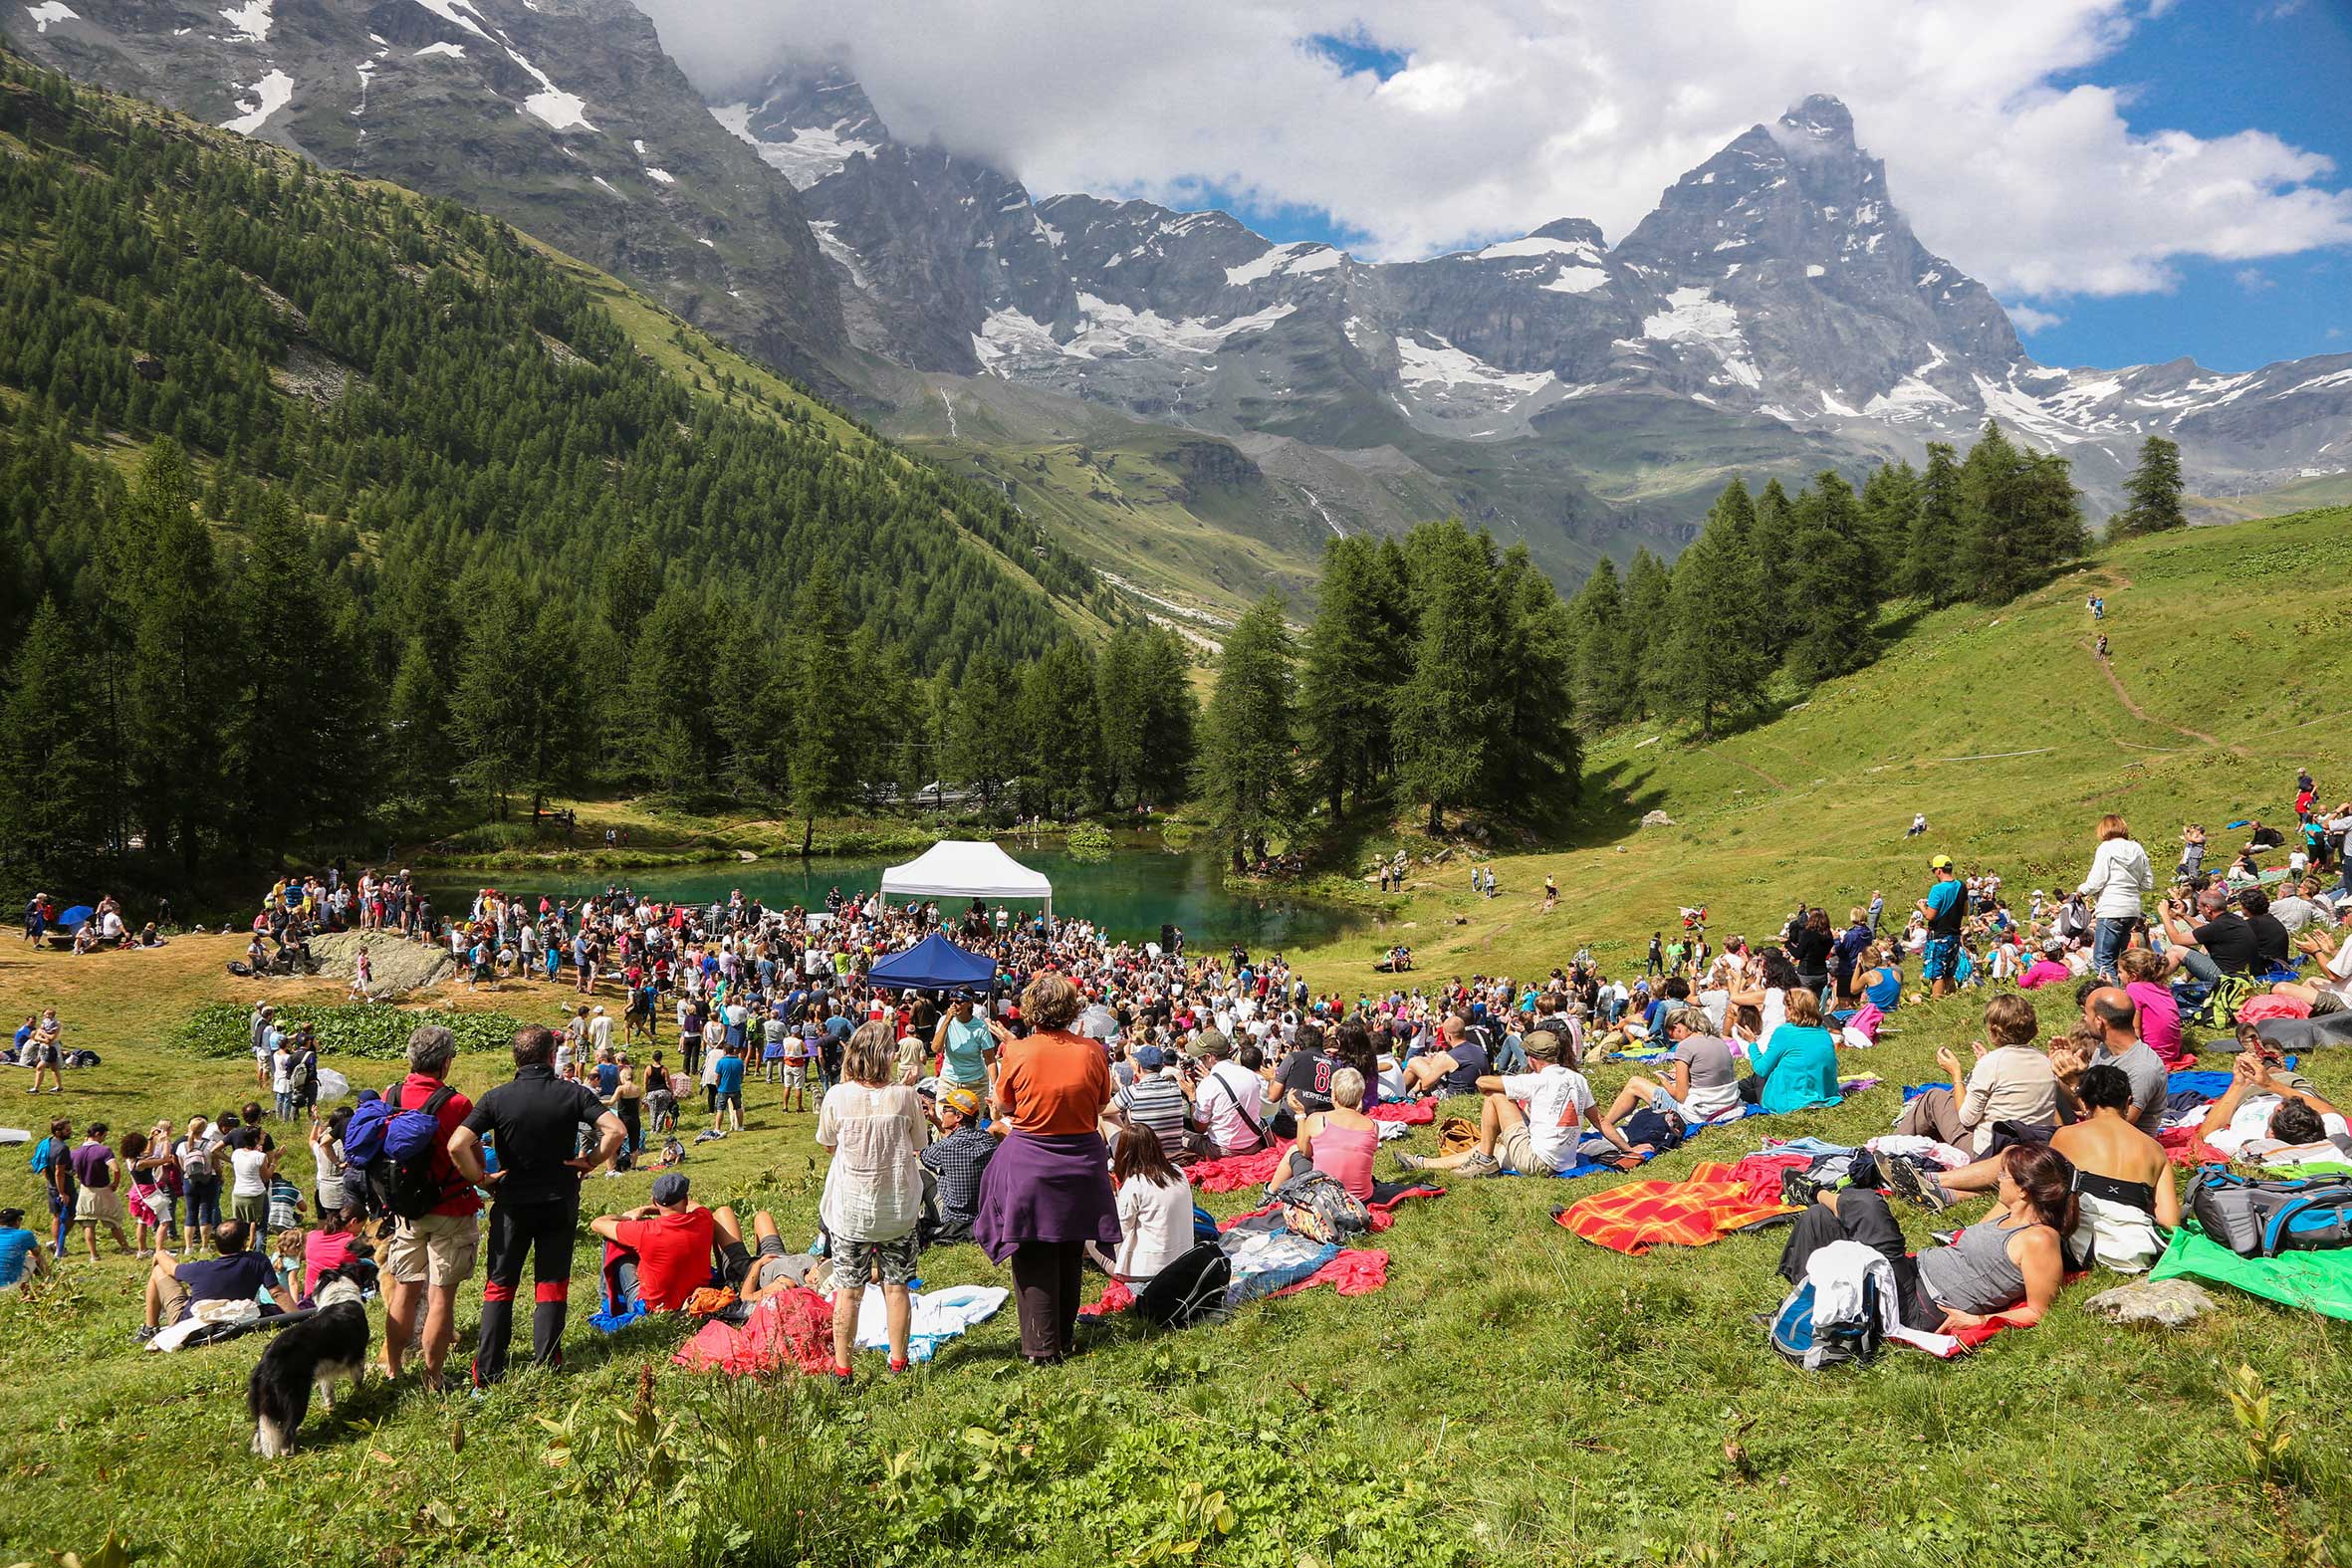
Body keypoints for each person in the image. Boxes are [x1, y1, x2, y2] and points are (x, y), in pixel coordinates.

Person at [447, 1025, 626, 1387]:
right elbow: (617, 1130)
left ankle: (489, 1370)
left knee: (499, 1285)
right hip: (559, 1200)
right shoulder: (572, 1093)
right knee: (551, 1283)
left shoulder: (496, 1097)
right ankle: (548, 1361)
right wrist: (591, 1159)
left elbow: (456, 1145)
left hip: (512, 1202)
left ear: (516, 1058)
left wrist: (480, 1177)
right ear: (550, 1057)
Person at [1892, 1065, 2177, 1272]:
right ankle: (1950, 1203)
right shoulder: (2155, 1150)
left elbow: (2039, 1184)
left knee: (2026, 1180)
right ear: (2127, 1102)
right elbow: (2170, 1221)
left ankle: (1968, 1233)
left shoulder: (2068, 1136)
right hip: (2138, 1252)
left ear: (2084, 1102)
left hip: (2083, 1248)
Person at [974, 972, 1119, 1367]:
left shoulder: (1018, 1051)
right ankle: (1065, 1337)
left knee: (1033, 1250)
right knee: (1071, 1248)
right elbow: (1103, 1100)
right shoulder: (1093, 1050)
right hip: (1082, 1161)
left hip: (1033, 1159)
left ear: (1032, 1009)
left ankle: (1042, 1347)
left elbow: (1005, 1107)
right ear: (1072, 1010)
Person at [1777, 1144, 2076, 1333]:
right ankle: (1799, 1309)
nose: (1997, 1179)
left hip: (1920, 1305)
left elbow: (2038, 1310)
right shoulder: (2009, 1214)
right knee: (1818, 1219)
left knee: (1869, 1206)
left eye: (2004, 1176)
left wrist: (1981, 1321)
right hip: (1911, 1274)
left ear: (2024, 1190)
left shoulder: (2039, 1239)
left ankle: (1816, 1192)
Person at [814, 1019, 926, 1380]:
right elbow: (919, 1145)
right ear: (886, 1056)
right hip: (896, 1207)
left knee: (848, 1291)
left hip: (851, 1210)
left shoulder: (837, 1096)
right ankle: (898, 1362)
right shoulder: (906, 1096)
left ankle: (843, 1368)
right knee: (897, 1287)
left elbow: (829, 1144)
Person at [379, 1025, 482, 1393]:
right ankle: (433, 1377)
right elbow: (469, 1155)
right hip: (450, 1208)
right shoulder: (456, 1104)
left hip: (407, 1211)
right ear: (446, 1062)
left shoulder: (389, 1095)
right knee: (441, 1295)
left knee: (404, 1291)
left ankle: (393, 1369)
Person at [1395, 1028, 1641, 1178]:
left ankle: (1483, 1161)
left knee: (1497, 1097)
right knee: (1495, 1149)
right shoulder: (1578, 1079)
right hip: (1565, 1160)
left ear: (1533, 1059)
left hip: (1537, 1161)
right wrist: (1628, 1149)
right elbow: (1600, 1122)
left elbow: (1482, 1084)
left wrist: (1511, 1089)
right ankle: (1423, 1162)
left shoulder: (1535, 1081)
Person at [1897, 995, 2060, 1153]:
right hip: (2035, 1149)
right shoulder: (2045, 1061)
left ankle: (1886, 1152)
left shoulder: (1991, 1063)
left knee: (1933, 1098)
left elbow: (1966, 1118)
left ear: (1993, 1029)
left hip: (1991, 1153)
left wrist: (1956, 1074)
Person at [588, 1173, 737, 1312]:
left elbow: (597, 1223)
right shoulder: (703, 1218)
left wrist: (631, 1217)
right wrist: (647, 1210)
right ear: (684, 1199)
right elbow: (693, 1205)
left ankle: (606, 1302)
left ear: (655, 1201)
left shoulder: (643, 1230)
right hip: (694, 1296)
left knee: (611, 1240)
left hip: (654, 1307)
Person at [138, 1221, 295, 1341]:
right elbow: (278, 1293)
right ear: (244, 1243)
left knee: (159, 1269)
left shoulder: (200, 1268)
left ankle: (150, 1328)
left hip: (189, 1322)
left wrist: (159, 1253)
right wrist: (300, 1319)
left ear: (217, 1245)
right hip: (234, 1316)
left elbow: (171, 1269)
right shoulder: (257, 1261)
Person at [1086, 1124, 1194, 1287]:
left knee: (1087, 1230)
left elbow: (1119, 1231)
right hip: (1183, 1259)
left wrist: (1112, 1196)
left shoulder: (1135, 1184)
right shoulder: (1178, 1171)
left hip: (1144, 1270)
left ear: (1124, 1153)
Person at [1599, 1005, 1742, 1127]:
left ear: (1677, 1028)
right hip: (1728, 1104)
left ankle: (1605, 1125)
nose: (1673, 1040)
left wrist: (1664, 1081)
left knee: (1634, 1083)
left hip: (1702, 1113)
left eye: (1672, 1035)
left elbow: (1680, 1097)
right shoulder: (1718, 1041)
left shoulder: (1685, 1046)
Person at [2197, 1051, 2347, 1161]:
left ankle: (2265, 1058)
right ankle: (2272, 1063)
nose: (2280, 1103)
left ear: (2271, 1135)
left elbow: (2207, 1133)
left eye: (2278, 1109)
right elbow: (2330, 1111)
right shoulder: (2326, 1132)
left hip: (2246, 1095)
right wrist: (2269, 1084)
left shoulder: (2250, 1143)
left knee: (2268, 1070)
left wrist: (2238, 1083)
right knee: (2280, 1073)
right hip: (2288, 1088)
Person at [2077, 814, 2153, 983]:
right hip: (2132, 909)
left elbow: (2097, 880)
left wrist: (2082, 890)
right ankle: (2128, 992)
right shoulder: (2137, 848)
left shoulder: (2106, 848)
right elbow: (2147, 883)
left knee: (2103, 960)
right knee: (2119, 957)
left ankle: (2112, 1001)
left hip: (2111, 907)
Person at [919, 1083, 997, 1239]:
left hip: (951, 1218)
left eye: (946, 1109)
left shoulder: (947, 1146)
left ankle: (918, 1219)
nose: (942, 1112)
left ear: (958, 1117)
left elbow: (925, 1157)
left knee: (919, 1168)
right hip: (981, 1213)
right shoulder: (989, 1141)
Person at [1182, 1030, 1267, 1158]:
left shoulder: (1208, 1084)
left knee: (1180, 1135)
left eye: (1200, 1057)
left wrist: (1192, 1097)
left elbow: (1200, 1127)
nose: (1199, 1061)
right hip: (1253, 1143)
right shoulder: (1250, 1075)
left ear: (1210, 1057)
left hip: (1223, 1149)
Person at [1108, 1044, 1191, 1157]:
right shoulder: (1175, 1088)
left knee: (1106, 1117)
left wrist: (1109, 1087)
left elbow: (1101, 1110)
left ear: (1139, 1066)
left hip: (1143, 1157)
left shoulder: (1133, 1092)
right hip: (1172, 1154)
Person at [70, 1123, 132, 1260]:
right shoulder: (104, 1151)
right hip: (103, 1190)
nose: (104, 1138)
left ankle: (93, 1255)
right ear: (98, 1134)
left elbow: (71, 1171)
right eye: (104, 1135)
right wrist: (115, 1184)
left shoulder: (74, 1153)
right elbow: (115, 1169)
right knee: (113, 1222)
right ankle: (125, 1247)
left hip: (85, 1191)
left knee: (88, 1224)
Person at [1394, 1014, 1491, 1100]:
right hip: (1474, 1093)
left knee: (1413, 1062)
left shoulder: (1451, 1057)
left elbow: (1425, 1085)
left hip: (1451, 1099)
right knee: (1433, 1058)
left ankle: (1399, 1094)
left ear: (1449, 1037)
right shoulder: (1479, 1049)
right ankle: (1403, 1094)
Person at [1918, 856, 1965, 999]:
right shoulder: (1961, 886)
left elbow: (1930, 916)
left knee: (1936, 973)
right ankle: (1953, 1001)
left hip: (1938, 936)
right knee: (1949, 973)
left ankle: (1938, 1004)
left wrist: (1922, 907)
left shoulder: (1937, 889)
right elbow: (1965, 911)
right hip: (1954, 935)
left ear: (1938, 871)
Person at [0, 1207, 52, 1290]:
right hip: (10, 1286)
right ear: (17, 1221)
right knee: (36, 1257)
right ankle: (48, 1281)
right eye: (20, 1219)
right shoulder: (25, 1234)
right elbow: (36, 1253)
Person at [711, 1038, 746, 1134]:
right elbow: (742, 1075)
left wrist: (718, 1086)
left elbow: (717, 1077)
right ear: (733, 1050)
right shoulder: (739, 1061)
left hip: (723, 1088)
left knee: (720, 1109)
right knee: (738, 1107)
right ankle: (740, 1126)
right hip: (735, 1087)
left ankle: (717, 1128)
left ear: (725, 1051)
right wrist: (739, 1082)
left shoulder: (721, 1062)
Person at [27, 1008, 63, 1095]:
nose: (47, 1016)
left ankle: (36, 1088)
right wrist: (43, 1037)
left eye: (49, 1014)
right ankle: (59, 1087)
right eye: (45, 1014)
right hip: (44, 1048)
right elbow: (36, 1037)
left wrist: (41, 1034)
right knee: (54, 1068)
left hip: (52, 1049)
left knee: (39, 1067)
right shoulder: (44, 1023)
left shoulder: (56, 1024)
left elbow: (51, 1038)